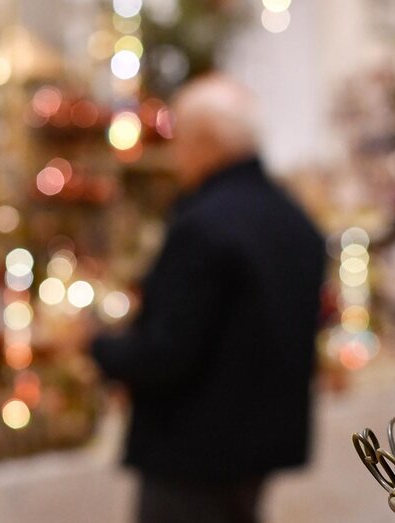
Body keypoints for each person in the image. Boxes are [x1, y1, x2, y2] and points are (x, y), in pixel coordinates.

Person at [89, 73, 327, 523]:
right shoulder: (293, 219)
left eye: (180, 138)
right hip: (258, 449)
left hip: (192, 453)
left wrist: (97, 347)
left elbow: (166, 353)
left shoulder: (203, 226)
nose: (174, 154)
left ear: (206, 140)